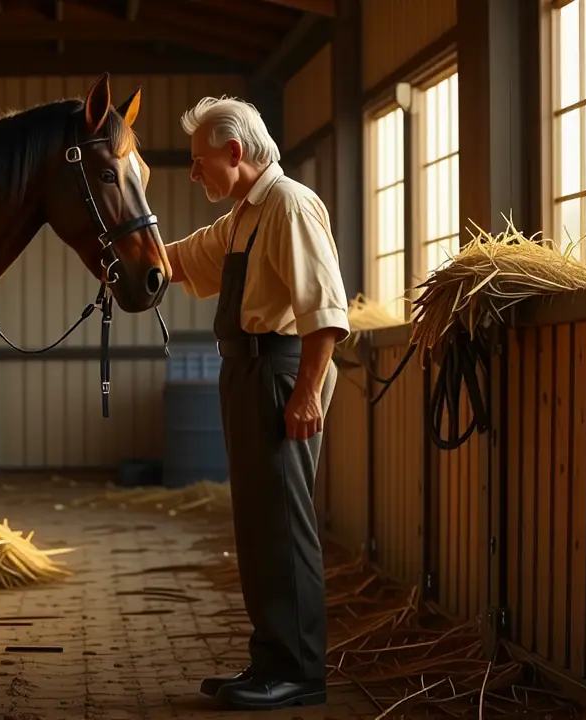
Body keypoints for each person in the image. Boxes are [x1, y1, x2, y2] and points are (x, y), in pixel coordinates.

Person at [163, 96, 350, 711]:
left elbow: (324, 313)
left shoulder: (290, 205)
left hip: (281, 371)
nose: (194, 173)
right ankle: (271, 658)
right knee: (257, 521)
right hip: (245, 368)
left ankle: (299, 669)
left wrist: (305, 395)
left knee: (283, 523)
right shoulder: (245, 213)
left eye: (199, 162)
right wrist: (123, 245)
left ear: (234, 152)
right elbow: (184, 260)